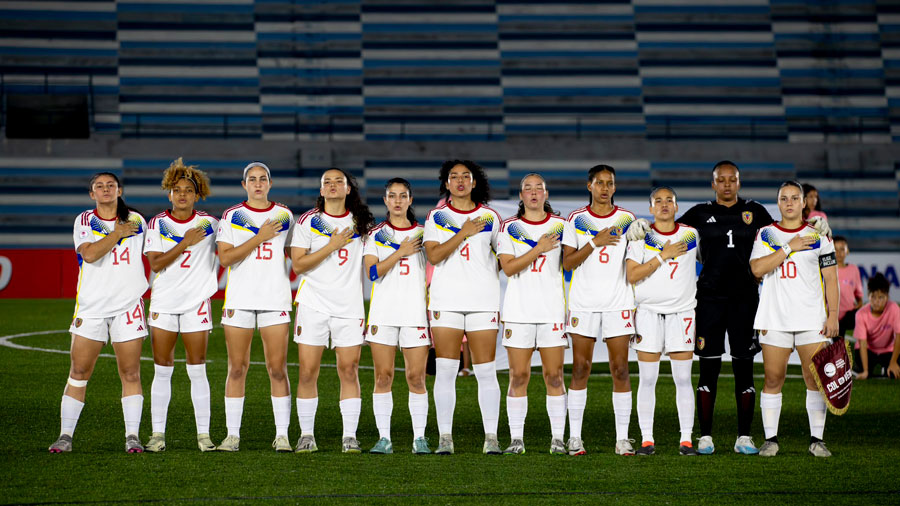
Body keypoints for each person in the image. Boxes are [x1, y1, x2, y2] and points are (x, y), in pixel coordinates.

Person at [630, 160, 774, 455]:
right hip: (708, 301)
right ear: (713, 184)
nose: (726, 185)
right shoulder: (698, 215)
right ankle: (704, 436)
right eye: (720, 180)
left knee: (744, 368)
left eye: (731, 179)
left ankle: (744, 436)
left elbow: (784, 234)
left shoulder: (756, 212)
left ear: (739, 182)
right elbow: (666, 227)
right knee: (708, 367)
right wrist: (639, 226)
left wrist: (816, 231)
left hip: (746, 300)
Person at [49, 172, 149, 453]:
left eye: (110, 185)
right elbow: (90, 254)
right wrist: (116, 233)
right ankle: (65, 436)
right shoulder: (85, 220)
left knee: (131, 373)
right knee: (79, 371)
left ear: (119, 190)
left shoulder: (137, 221)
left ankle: (132, 436)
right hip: (92, 306)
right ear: (92, 194)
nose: (105, 190)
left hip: (128, 306)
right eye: (99, 186)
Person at [750, 180, 839, 458]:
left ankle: (817, 440)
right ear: (778, 203)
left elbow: (831, 279)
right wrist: (789, 247)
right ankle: (771, 440)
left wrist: (833, 315)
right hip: (774, 317)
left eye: (794, 198)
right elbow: (756, 269)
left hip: (812, 319)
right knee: (773, 378)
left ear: (804, 203)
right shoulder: (765, 234)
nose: (789, 203)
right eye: (783, 198)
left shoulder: (819, 236)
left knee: (814, 379)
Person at [291, 168, 374, 453]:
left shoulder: (362, 223)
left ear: (349, 189)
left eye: (339, 181)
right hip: (313, 305)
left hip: (349, 307)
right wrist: (332, 245)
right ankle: (306, 435)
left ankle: (349, 436)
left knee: (349, 370)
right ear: (321, 189)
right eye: (327, 181)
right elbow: (298, 265)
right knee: (307, 372)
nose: (333, 185)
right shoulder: (308, 221)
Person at [424, 159, 503, 455]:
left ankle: (491, 437)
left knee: (485, 371)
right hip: (447, 300)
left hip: (483, 301)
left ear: (474, 182)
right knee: (446, 371)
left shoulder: (491, 217)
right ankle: (445, 437)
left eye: (465, 176)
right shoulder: (437, 216)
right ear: (446, 184)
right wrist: (463, 232)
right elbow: (433, 256)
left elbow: (503, 257)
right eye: (453, 177)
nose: (459, 181)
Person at [216, 162, 294, 452]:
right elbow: (225, 259)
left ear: (270, 184)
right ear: (244, 184)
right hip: (240, 299)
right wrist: (258, 237)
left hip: (275, 299)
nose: (258, 184)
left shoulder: (284, 215)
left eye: (263, 179)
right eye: (252, 179)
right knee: (237, 368)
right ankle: (232, 435)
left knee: (277, 369)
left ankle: (283, 435)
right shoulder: (233, 215)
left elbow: (292, 253)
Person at [562, 164, 636, 456]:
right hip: (584, 303)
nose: (605, 188)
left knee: (620, 369)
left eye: (610, 183)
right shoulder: (576, 219)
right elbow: (567, 264)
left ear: (615, 188)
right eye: (599, 183)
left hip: (619, 304)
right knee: (580, 368)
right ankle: (575, 438)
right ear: (589, 186)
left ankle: (622, 439)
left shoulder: (628, 219)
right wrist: (595, 241)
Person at [144, 159, 218, 452]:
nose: (183, 194)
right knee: (162, 369)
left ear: (197, 195)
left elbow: (226, 253)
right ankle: (157, 435)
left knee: (197, 369)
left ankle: (203, 436)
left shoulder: (211, 224)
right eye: (177, 190)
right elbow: (156, 262)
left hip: (196, 304)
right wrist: (185, 242)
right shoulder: (158, 223)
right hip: (164, 301)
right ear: (169, 194)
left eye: (188, 190)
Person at [496, 173, 568, 455]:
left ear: (546, 194)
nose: (534, 193)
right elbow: (510, 268)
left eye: (539, 188)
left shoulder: (561, 226)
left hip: (551, 312)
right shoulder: (509, 227)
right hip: (518, 312)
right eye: (528, 188)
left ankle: (558, 439)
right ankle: (517, 439)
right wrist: (538, 248)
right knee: (519, 376)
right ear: (521, 196)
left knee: (554, 376)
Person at [625, 187, 699, 456]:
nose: (665, 204)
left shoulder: (691, 234)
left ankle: (687, 440)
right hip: (647, 314)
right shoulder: (640, 237)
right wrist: (661, 256)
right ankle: (646, 439)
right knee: (648, 379)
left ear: (677, 207)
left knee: (682, 378)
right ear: (651, 208)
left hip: (683, 314)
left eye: (670, 200)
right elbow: (632, 275)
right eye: (659, 201)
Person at [364, 178, 430, 454]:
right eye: (393, 196)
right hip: (384, 314)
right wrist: (399, 252)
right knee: (383, 376)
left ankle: (419, 438)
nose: (398, 201)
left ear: (410, 200)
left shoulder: (425, 234)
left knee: (416, 378)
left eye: (403, 196)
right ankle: (384, 438)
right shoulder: (376, 235)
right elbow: (372, 273)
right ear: (386, 201)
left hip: (415, 314)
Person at [853, 273, 900, 379]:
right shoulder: (860, 314)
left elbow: (898, 337)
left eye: (881, 297)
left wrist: (893, 362)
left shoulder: (894, 309)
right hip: (869, 350)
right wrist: (865, 371)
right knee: (865, 372)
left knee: (895, 373)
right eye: (873, 297)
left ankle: (887, 365)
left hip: (888, 349)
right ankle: (864, 367)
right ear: (868, 296)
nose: (876, 301)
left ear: (887, 297)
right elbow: (863, 343)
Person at [834, 235, 863, 337]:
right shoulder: (827, 269)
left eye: (842, 249)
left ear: (847, 251)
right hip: (831, 315)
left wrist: (859, 304)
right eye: (835, 249)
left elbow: (859, 296)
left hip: (848, 316)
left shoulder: (853, 269)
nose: (838, 253)